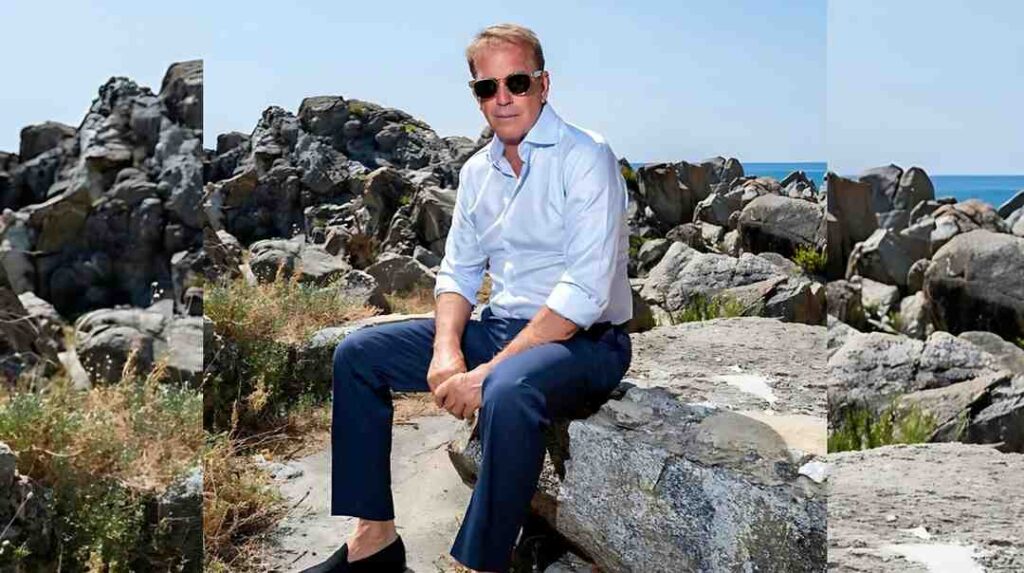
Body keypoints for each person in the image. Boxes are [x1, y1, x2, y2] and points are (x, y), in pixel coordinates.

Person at [303, 23, 633, 573]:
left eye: (517, 82)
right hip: (503, 329)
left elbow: (584, 293)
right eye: (487, 87)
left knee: (506, 388)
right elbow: (457, 272)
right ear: (476, 94)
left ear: (543, 84)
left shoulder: (585, 155)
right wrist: (446, 350)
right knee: (357, 355)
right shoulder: (477, 172)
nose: (503, 98)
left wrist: (480, 376)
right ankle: (374, 543)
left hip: (586, 344)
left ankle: (482, 563)